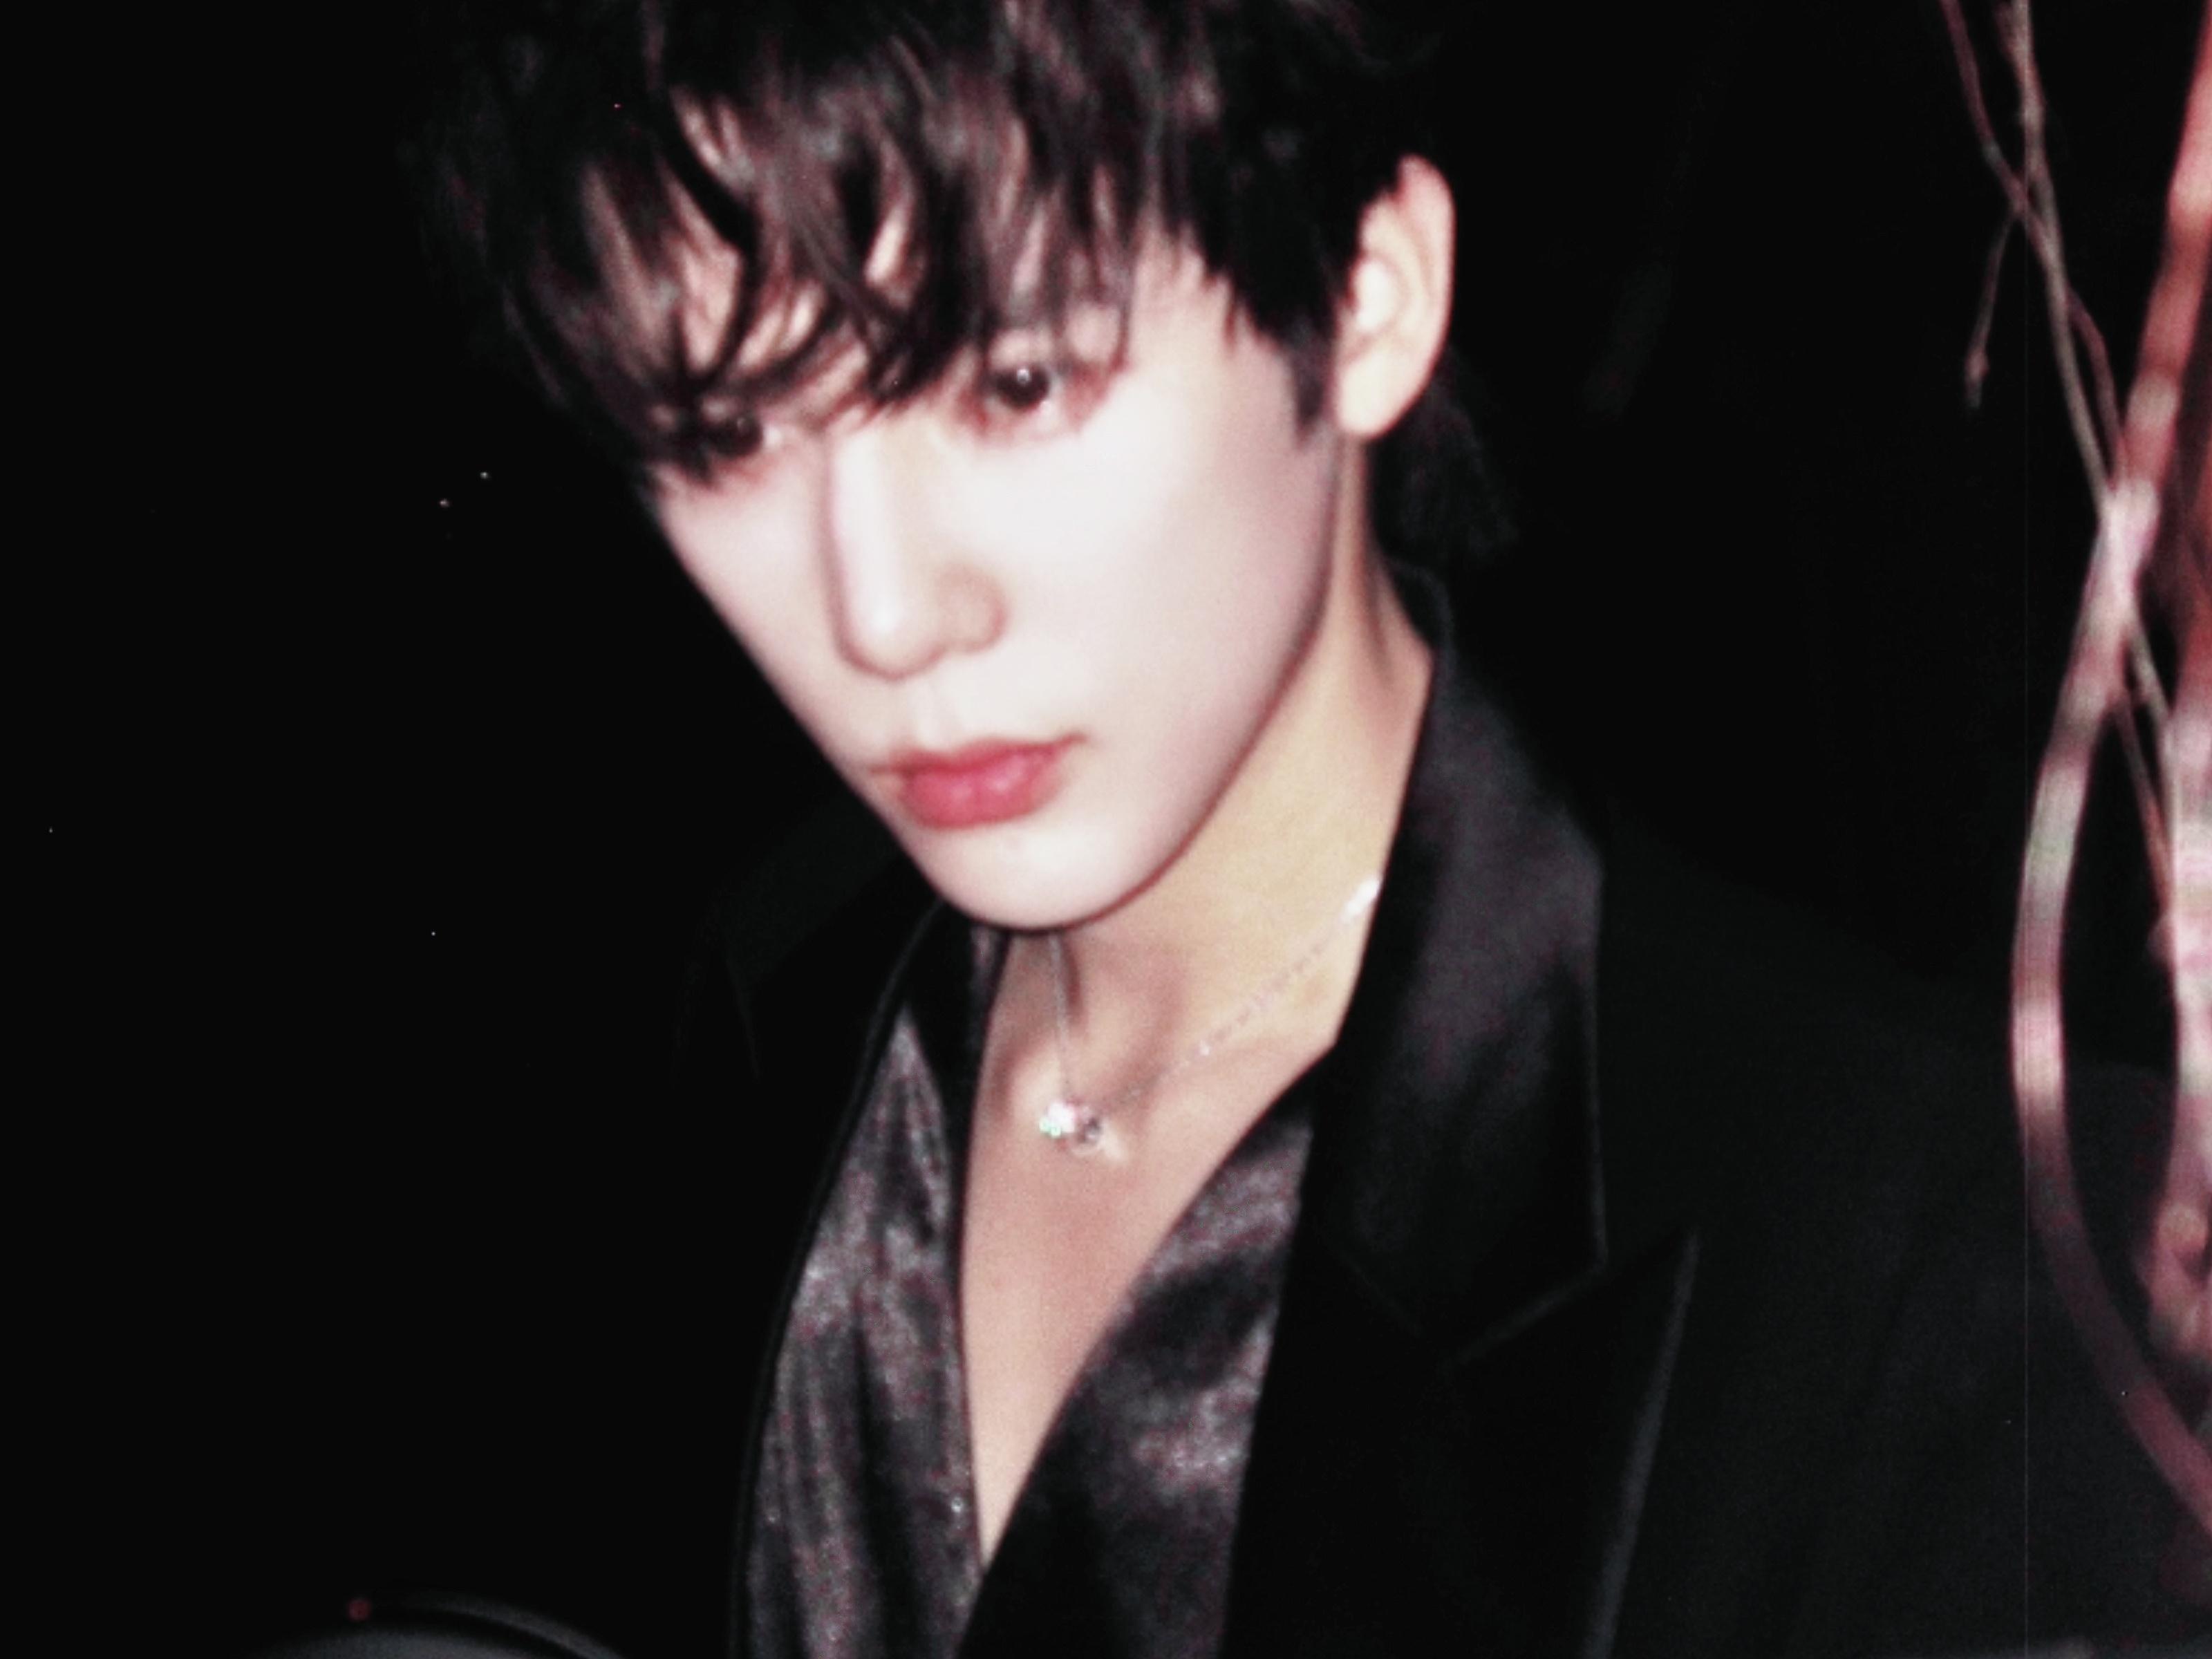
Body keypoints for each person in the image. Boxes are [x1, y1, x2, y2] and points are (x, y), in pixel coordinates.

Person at [422, 1, 2200, 1653]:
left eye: (1017, 384)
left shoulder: (1971, 1270)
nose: (882, 615)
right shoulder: (762, 1012)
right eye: (727, 429)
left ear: (1366, 298)